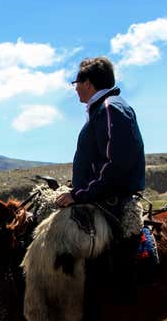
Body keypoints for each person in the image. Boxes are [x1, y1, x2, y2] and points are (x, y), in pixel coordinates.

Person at [54, 57, 145, 215]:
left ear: (87, 83)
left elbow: (116, 163)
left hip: (109, 202)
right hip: (99, 197)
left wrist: (79, 194)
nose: (75, 89)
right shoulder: (104, 109)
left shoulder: (109, 109)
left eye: (76, 83)